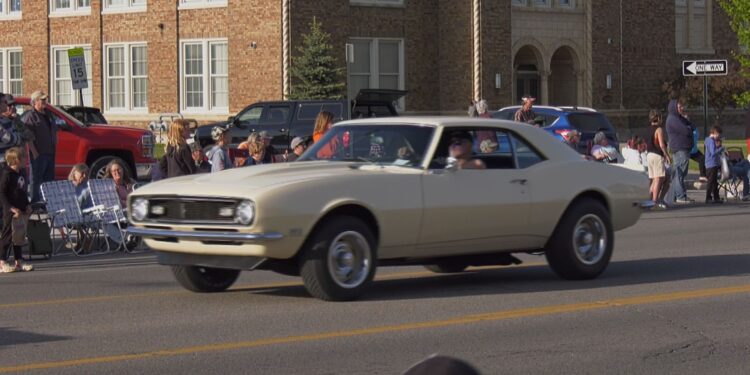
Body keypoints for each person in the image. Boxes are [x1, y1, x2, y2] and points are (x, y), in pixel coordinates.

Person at [0, 147, 32, 273]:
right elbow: (1, 193)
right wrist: (10, 208)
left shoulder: (20, 173)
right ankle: (2, 262)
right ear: (16, 160)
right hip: (10, 211)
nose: (26, 160)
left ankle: (18, 261)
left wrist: (27, 204)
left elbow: (22, 192)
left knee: (19, 237)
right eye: (24, 157)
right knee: (7, 236)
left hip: (21, 210)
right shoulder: (6, 174)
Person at [23, 91, 56, 203]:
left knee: (48, 180)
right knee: (36, 180)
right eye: (42, 100)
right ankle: (35, 203)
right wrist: (34, 152)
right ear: (35, 102)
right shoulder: (30, 116)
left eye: (45, 99)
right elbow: (28, 137)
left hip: (50, 152)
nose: (44, 102)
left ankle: (47, 203)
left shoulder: (48, 114)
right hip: (39, 153)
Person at [666, 96, 694, 204]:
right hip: (680, 149)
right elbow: (686, 131)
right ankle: (680, 196)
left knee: (679, 173)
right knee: (679, 173)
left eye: (682, 106)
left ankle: (675, 196)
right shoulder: (673, 119)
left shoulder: (679, 118)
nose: (682, 108)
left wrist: (689, 126)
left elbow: (692, 126)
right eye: (679, 106)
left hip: (684, 149)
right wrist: (688, 128)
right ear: (674, 107)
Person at [646, 110, 671, 208]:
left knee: (653, 179)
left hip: (649, 154)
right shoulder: (659, 129)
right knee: (658, 179)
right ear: (659, 118)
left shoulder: (649, 129)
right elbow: (661, 144)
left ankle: (649, 200)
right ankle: (654, 201)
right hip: (657, 155)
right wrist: (667, 155)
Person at [704, 126, 724, 204]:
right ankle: (708, 197)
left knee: (715, 182)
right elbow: (713, 152)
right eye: (718, 134)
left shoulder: (708, 140)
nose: (719, 136)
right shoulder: (711, 141)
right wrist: (721, 149)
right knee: (711, 181)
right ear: (714, 133)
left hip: (712, 164)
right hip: (711, 164)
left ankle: (716, 197)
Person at [0, 93, 21, 165]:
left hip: (11, 160)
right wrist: (17, 138)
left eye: (14, 105)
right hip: (2, 160)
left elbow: (27, 135)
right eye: (5, 102)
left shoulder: (13, 120)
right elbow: (8, 138)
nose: (12, 107)